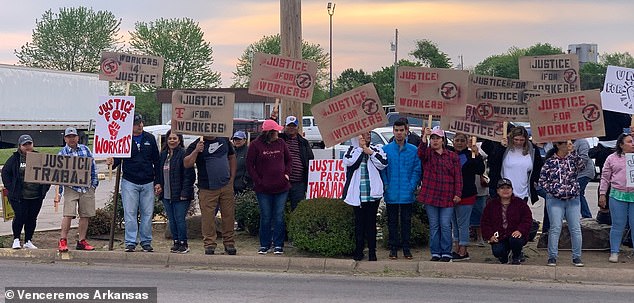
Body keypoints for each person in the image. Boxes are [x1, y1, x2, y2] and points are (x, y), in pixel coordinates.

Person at [107, 114, 161, 253]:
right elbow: (118, 159)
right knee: (130, 213)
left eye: (141, 122)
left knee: (147, 214)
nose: (140, 125)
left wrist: (158, 181)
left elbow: (157, 161)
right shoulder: (124, 139)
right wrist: (112, 161)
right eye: (136, 123)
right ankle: (130, 241)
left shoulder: (150, 138)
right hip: (130, 181)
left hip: (148, 181)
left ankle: (146, 241)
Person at [184, 129, 237, 256]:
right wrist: (196, 150)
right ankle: (209, 244)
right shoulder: (197, 144)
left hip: (226, 186)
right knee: (208, 218)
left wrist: (232, 178)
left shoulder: (224, 140)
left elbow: (232, 157)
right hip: (207, 188)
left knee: (229, 216)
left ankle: (229, 243)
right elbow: (187, 163)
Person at [247, 119, 292, 255]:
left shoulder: (281, 143)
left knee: (278, 216)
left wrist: (287, 174)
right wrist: (258, 180)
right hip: (263, 189)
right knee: (266, 216)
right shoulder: (255, 145)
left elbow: (289, 160)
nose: (278, 133)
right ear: (269, 133)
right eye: (276, 131)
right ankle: (264, 244)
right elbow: (250, 165)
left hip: (282, 187)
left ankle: (278, 244)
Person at [539, 141, 585, 267]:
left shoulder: (573, 159)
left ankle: (577, 257)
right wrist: (554, 190)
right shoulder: (550, 161)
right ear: (558, 145)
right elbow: (542, 180)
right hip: (555, 199)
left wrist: (574, 152)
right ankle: (552, 257)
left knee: (575, 228)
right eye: (565, 143)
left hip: (573, 199)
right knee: (555, 227)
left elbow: (582, 167)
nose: (568, 145)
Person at [342, 133, 388, 261]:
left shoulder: (376, 148)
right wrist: (360, 149)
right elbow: (350, 162)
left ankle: (372, 252)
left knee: (371, 223)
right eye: (363, 134)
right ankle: (359, 250)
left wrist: (370, 152)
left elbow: (383, 163)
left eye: (368, 134)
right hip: (358, 194)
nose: (366, 136)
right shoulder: (351, 150)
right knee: (359, 223)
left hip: (373, 194)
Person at [418, 127, 462, 262]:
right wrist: (424, 137)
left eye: (438, 138)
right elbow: (420, 153)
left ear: (443, 140)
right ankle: (435, 252)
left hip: (447, 196)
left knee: (445, 224)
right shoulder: (428, 154)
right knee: (434, 225)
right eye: (433, 138)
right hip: (431, 195)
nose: (435, 141)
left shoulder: (452, 156)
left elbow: (458, 177)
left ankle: (446, 252)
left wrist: (458, 193)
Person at [381, 119, 421, 260]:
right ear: (393, 131)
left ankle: (406, 248)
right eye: (396, 130)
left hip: (407, 192)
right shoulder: (385, 150)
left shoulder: (413, 150)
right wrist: (386, 184)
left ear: (406, 131)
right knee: (392, 222)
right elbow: (383, 169)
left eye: (401, 130)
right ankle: (393, 248)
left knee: (406, 222)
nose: (399, 133)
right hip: (391, 191)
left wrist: (412, 185)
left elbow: (417, 169)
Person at [1, 135, 50, 249]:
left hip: (36, 196)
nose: (27, 147)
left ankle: (28, 240)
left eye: (29, 144)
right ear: (20, 146)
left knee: (32, 218)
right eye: (25, 145)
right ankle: (16, 239)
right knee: (19, 217)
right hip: (19, 196)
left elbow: (48, 173)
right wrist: (11, 188)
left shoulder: (39, 157)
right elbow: (5, 173)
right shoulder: (15, 159)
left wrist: (45, 189)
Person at [56, 127, 99, 252]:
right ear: (65, 139)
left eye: (74, 136)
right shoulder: (62, 153)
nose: (72, 139)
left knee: (85, 215)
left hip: (87, 187)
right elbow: (58, 175)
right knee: (68, 214)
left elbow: (93, 167)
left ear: (78, 138)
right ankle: (63, 240)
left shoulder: (85, 150)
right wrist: (59, 193)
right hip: (71, 188)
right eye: (69, 137)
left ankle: (81, 241)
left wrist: (94, 185)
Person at [481, 126, 543, 203]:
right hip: (503, 191)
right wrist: (501, 147)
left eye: (522, 140)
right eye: (516, 139)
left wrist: (535, 180)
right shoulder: (504, 147)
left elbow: (538, 166)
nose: (518, 142)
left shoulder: (532, 149)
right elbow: (493, 161)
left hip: (523, 191)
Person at [158, 130, 195, 254]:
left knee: (180, 219)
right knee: (172, 219)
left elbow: (189, 176)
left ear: (179, 140)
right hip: (166, 194)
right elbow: (158, 173)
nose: (172, 141)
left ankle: (184, 243)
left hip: (181, 194)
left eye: (175, 138)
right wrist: (157, 184)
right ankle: (176, 242)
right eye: (170, 138)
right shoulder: (163, 155)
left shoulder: (184, 154)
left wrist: (185, 193)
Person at [599, 133, 634, 263]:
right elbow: (605, 178)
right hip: (617, 195)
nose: (633, 144)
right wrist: (602, 194)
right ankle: (614, 251)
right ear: (621, 144)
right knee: (618, 224)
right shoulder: (611, 158)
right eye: (630, 141)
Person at [480, 178, 533, 265]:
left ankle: (516, 256)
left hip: (515, 235)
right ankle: (504, 256)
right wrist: (490, 236)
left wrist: (520, 230)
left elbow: (527, 219)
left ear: (512, 190)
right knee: (498, 251)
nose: (505, 190)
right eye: (502, 188)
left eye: (508, 188)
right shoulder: (491, 205)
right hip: (499, 236)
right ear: (497, 191)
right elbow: (485, 222)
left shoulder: (520, 203)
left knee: (515, 240)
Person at [450, 133, 485, 261]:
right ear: (453, 142)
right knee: (454, 222)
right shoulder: (449, 154)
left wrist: (477, 155)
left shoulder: (471, 155)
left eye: (462, 141)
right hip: (451, 194)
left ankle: (463, 249)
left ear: (467, 142)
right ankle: (456, 246)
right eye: (457, 140)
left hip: (467, 194)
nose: (459, 143)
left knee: (463, 223)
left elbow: (480, 170)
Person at [279, 116, 314, 211]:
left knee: (298, 209)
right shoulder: (279, 140)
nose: (291, 128)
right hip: (281, 181)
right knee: (279, 209)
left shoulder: (304, 142)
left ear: (297, 127)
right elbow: (267, 133)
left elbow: (310, 159)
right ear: (284, 126)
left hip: (299, 182)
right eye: (289, 125)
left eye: (293, 126)